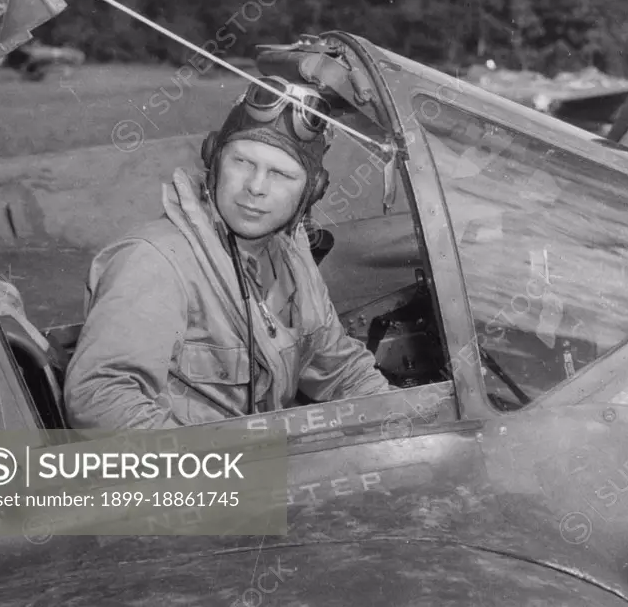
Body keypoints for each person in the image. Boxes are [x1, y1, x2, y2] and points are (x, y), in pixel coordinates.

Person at [63, 76, 394, 430]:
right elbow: (100, 401)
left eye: (280, 174)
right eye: (242, 162)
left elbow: (343, 371)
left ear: (311, 192)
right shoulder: (155, 261)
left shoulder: (292, 259)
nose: (255, 187)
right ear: (215, 162)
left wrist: (406, 425)